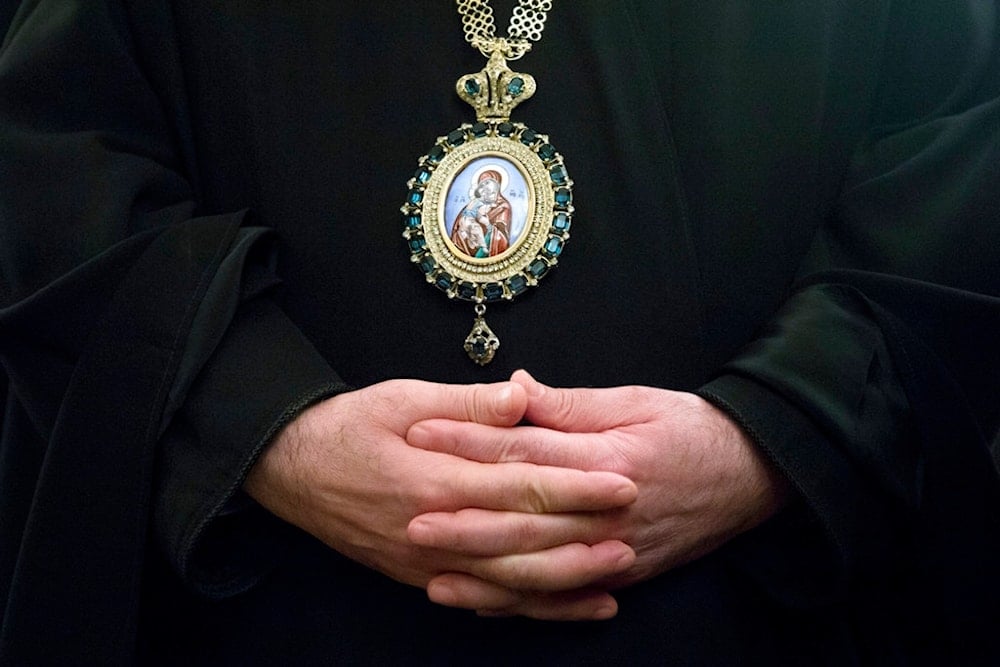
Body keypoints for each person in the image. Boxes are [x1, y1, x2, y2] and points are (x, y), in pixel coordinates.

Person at [1, 1, 999, 664]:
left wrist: (777, 434)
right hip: (272, 609)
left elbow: (958, 167)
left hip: (752, 615)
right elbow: (54, 165)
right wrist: (261, 428)